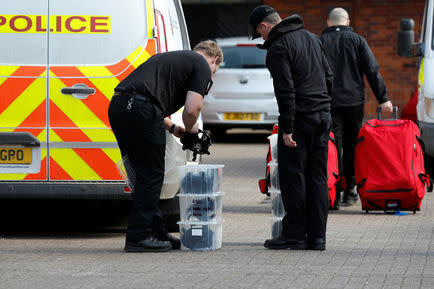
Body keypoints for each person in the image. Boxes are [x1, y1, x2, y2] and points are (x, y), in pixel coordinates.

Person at [108, 41, 223, 252]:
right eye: (214, 71)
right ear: (215, 60)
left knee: (143, 174)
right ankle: (138, 237)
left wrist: (173, 128)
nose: (210, 75)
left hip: (120, 106)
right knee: (151, 175)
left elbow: (148, 98)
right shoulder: (202, 65)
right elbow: (192, 109)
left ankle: (156, 232)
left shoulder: (175, 59)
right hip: (140, 109)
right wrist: (192, 132)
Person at [249, 5, 333, 250]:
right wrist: (326, 109)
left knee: (293, 176)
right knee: (317, 176)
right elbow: (329, 76)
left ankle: (295, 234)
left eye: (260, 33)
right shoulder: (311, 38)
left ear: (264, 27)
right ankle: (318, 237)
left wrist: (286, 128)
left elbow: (285, 91)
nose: (262, 38)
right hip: (322, 115)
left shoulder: (277, 48)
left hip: (300, 119)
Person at [320, 8, 393, 207]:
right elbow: (372, 70)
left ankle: (332, 192)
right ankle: (350, 191)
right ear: (348, 21)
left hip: (328, 103)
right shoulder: (358, 41)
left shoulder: (319, 42)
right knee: (352, 146)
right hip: (354, 102)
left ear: (328, 22)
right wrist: (383, 98)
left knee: (331, 146)